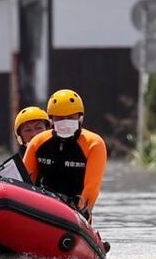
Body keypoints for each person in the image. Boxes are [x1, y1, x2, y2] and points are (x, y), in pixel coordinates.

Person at [22, 89, 106, 220]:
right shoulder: (37, 142)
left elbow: (92, 186)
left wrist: (83, 211)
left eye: (71, 117)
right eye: (60, 118)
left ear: (80, 118)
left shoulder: (93, 144)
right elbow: (24, 183)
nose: (65, 122)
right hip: (42, 206)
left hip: (74, 211)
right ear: (51, 120)